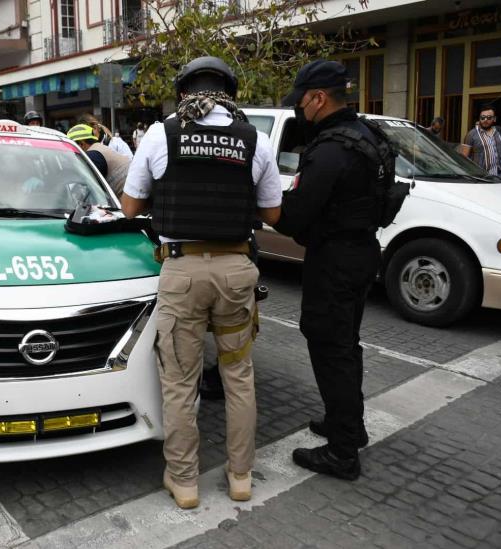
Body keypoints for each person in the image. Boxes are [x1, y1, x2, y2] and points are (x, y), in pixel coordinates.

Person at [121, 56, 282, 509]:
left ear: (184, 90)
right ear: (228, 91)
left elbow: (131, 207)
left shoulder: (161, 133)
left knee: (179, 382)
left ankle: (185, 481)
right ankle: (241, 477)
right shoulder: (256, 139)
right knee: (238, 377)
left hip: (182, 272)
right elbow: (272, 214)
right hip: (236, 273)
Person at [275, 60, 389, 481]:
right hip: (362, 253)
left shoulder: (329, 149)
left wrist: (269, 206)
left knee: (330, 347)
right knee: (346, 344)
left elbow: (293, 218)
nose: (299, 111)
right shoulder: (367, 137)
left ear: (318, 98)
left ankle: (342, 452)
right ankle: (348, 425)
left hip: (335, 260)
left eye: (301, 102)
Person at [67, 124, 130, 196]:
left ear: (81, 144)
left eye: (71, 148)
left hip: (128, 199)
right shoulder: (99, 148)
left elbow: (90, 189)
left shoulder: (92, 156)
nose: (72, 152)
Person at [461, 106, 501, 178]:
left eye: (489, 117)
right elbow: (463, 158)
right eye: (482, 117)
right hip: (480, 178)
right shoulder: (471, 134)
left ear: (494, 119)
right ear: (479, 119)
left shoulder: (500, 131)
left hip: (499, 176)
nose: (485, 120)